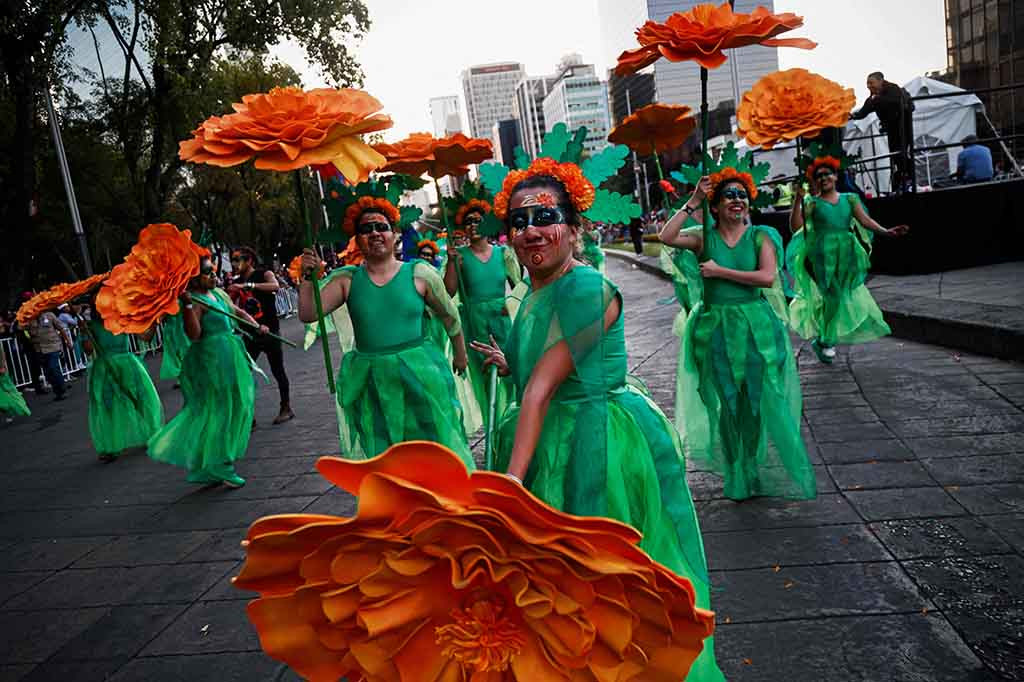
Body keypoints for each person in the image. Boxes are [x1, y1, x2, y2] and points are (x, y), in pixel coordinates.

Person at [472, 155, 724, 681]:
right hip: (551, 437)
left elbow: (540, 388)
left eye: (545, 217)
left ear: (575, 226)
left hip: (597, 441)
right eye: (518, 222)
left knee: (602, 579)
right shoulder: (539, 290)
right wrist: (508, 359)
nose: (531, 231)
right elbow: (536, 371)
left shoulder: (585, 287)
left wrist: (509, 486)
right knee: (558, 584)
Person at [660, 153, 817, 503]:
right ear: (715, 207)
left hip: (756, 327)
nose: (737, 200)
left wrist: (720, 272)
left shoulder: (761, 235)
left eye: (742, 195)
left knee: (755, 401)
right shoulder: (702, 237)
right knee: (727, 402)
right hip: (714, 329)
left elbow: (767, 277)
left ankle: (752, 461)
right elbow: (666, 236)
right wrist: (694, 200)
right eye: (728, 195)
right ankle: (736, 471)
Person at [301, 180, 473, 464]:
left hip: (420, 373)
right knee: (385, 451)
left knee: (434, 443)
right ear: (357, 239)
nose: (375, 233)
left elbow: (450, 317)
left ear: (394, 234)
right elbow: (309, 313)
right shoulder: (347, 280)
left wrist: (461, 354)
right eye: (366, 229)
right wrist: (307, 278)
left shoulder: (420, 273)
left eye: (381, 227)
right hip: (371, 377)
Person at [148, 256, 265, 487]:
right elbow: (194, 335)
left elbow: (237, 313)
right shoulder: (195, 301)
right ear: (193, 278)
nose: (213, 275)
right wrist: (189, 306)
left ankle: (206, 465)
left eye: (213, 271)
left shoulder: (218, 294)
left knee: (236, 404)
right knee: (221, 410)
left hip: (230, 355)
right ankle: (222, 464)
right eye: (207, 272)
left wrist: (256, 325)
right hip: (210, 361)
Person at [788, 153, 910, 362]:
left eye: (827, 174)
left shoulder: (849, 199)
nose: (823, 178)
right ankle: (825, 340)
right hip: (820, 257)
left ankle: (824, 339)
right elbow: (796, 228)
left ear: (836, 176)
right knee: (833, 296)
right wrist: (798, 198)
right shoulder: (812, 203)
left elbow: (866, 221)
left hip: (846, 255)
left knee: (837, 297)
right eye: (818, 176)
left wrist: (886, 231)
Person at [443, 194, 521, 434]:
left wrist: (508, 305)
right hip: (475, 325)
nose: (472, 225)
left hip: (503, 321)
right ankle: (496, 432)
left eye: (477, 220)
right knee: (488, 379)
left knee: (513, 372)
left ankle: (517, 425)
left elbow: (518, 288)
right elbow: (448, 291)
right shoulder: (460, 256)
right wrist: (450, 262)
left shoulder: (503, 254)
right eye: (467, 221)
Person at [81, 307, 163, 461]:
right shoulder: (91, 326)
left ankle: (152, 434)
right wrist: (85, 334)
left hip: (128, 366)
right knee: (108, 405)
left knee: (140, 398)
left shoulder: (123, 319)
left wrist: (154, 321)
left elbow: (146, 337)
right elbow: (88, 350)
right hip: (104, 369)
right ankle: (111, 445)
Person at [228, 246, 293, 425]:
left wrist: (248, 285)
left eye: (237, 259)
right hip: (250, 334)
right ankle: (249, 415)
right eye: (232, 260)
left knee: (278, 370)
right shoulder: (236, 281)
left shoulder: (264, 274)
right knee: (244, 372)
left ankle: (286, 407)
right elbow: (229, 305)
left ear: (249, 260)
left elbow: (275, 286)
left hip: (270, 331)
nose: (234, 263)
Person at [851, 71, 915, 192]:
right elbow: (866, 109)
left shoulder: (893, 89)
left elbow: (894, 102)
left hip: (902, 126)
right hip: (891, 128)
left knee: (902, 152)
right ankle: (902, 177)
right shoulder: (874, 96)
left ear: (881, 81)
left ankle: (909, 177)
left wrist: (876, 100)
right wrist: (854, 116)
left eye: (871, 83)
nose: (869, 86)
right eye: (867, 84)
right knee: (895, 154)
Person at [26, 306, 71, 401]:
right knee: (48, 372)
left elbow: (61, 328)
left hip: (53, 346)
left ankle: (62, 389)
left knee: (53, 367)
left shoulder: (49, 315)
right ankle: (58, 391)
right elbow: (25, 332)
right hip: (39, 349)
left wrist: (68, 341)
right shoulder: (29, 319)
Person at [0, 340, 30, 421]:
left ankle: (21, 406)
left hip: (1, 373)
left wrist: (2, 366)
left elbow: (1, 353)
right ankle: (11, 411)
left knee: (9, 391)